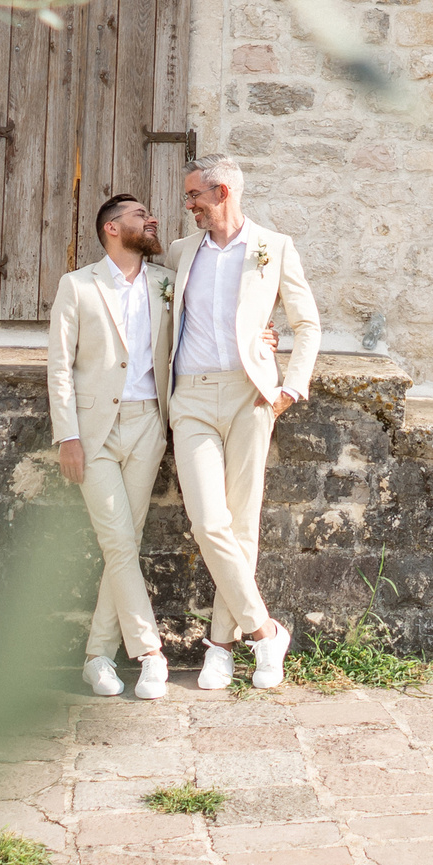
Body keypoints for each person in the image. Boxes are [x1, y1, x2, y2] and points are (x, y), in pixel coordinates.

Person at [165, 153, 319, 690]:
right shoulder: (182, 253)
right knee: (209, 523)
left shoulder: (273, 248)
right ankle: (265, 630)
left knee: (242, 525)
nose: (188, 206)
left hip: (252, 398)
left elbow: (307, 324)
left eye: (195, 197)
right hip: (190, 398)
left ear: (222, 192)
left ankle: (220, 647)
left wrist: (288, 390)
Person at [48, 193, 174, 700]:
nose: (152, 219)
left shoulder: (167, 283)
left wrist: (264, 338)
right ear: (112, 230)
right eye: (140, 215)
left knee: (126, 539)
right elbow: (60, 365)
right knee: (119, 541)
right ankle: (150, 653)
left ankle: (98, 655)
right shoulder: (77, 286)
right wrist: (68, 436)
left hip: (149, 424)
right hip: (94, 431)